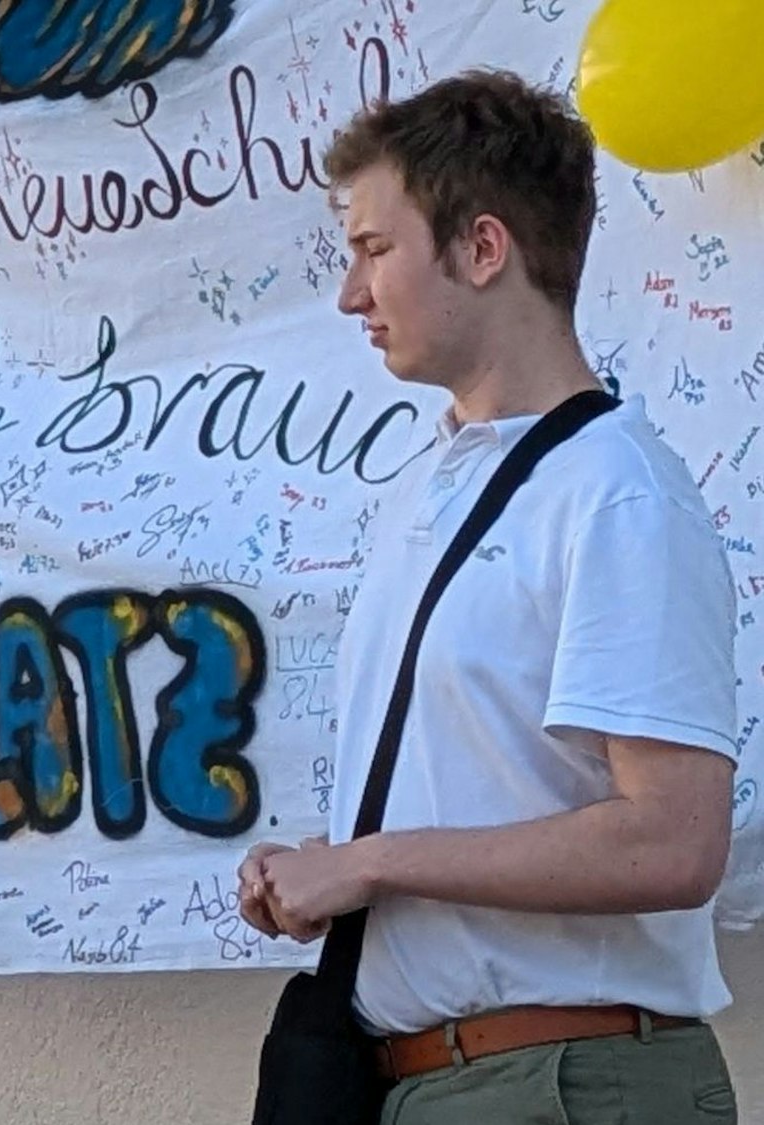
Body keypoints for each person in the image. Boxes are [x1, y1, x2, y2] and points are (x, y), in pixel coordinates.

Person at [237, 70, 741, 1122]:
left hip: (562, 1083)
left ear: (481, 248)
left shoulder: (616, 495)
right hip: (442, 1080)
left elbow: (671, 842)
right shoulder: (434, 485)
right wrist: (325, 872)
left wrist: (368, 866)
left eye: (374, 251)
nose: (348, 293)